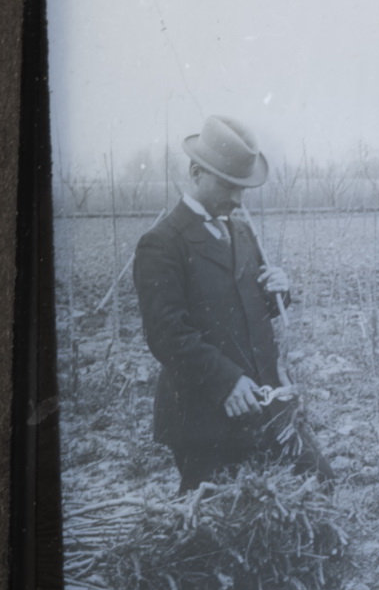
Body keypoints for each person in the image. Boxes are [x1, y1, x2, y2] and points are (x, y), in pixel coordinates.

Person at [133, 114, 332, 493]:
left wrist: (278, 292)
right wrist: (225, 381)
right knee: (217, 524)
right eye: (229, 185)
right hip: (205, 412)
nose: (239, 198)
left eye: (243, 187)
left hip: (264, 400)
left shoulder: (240, 229)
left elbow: (252, 309)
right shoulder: (161, 244)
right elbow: (167, 335)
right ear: (196, 172)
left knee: (319, 482)